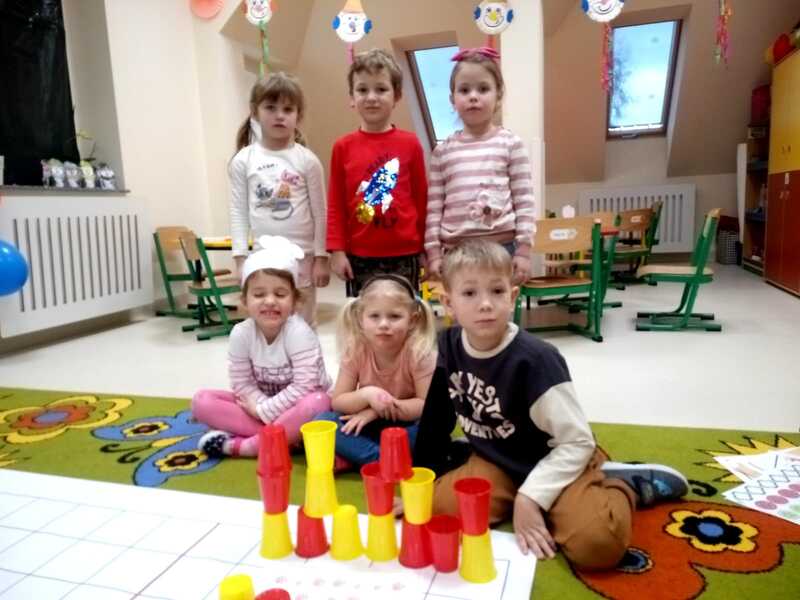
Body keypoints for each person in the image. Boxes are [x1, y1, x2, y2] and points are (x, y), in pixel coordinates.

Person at [413, 239, 690, 569]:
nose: (485, 304)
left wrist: (531, 497)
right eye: (470, 293)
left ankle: (622, 485)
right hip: (496, 458)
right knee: (439, 510)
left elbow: (576, 441)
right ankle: (524, 497)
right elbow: (437, 415)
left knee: (597, 544)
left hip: (556, 459)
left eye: (497, 291)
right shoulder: (448, 344)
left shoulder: (537, 360)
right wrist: (421, 484)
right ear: (448, 303)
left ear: (512, 297)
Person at [194, 235, 332, 458]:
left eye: (280, 294)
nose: (269, 301)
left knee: (319, 402)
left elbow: (306, 387)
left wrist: (263, 410)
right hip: (261, 409)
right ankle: (288, 438)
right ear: (245, 301)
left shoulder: (299, 333)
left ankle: (245, 446)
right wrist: (262, 408)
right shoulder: (241, 333)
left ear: (294, 301)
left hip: (297, 408)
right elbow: (241, 384)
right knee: (202, 402)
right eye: (259, 294)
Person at [424, 47, 536, 286]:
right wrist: (433, 253)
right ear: (452, 99)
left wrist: (524, 250)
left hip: (503, 248)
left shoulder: (511, 144)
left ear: (498, 95)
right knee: (462, 303)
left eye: (483, 89)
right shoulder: (442, 152)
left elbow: (524, 201)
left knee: (498, 304)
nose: (473, 96)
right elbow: (433, 208)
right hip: (456, 252)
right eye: (464, 90)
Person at [326, 48, 428, 297]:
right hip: (360, 254)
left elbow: (422, 198)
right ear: (352, 97)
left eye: (381, 89)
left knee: (403, 312)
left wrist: (427, 247)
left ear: (397, 96)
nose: (371, 97)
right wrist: (337, 250)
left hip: (406, 252)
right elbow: (336, 204)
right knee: (364, 316)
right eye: (362, 90)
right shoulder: (342, 147)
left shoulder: (411, 143)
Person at [230, 72, 329, 326]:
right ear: (255, 111)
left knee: (303, 326)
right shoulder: (244, 160)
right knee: (270, 323)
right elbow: (238, 212)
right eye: (270, 108)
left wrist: (321, 257)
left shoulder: (307, 160)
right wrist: (240, 259)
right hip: (263, 257)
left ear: (298, 115)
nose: (279, 115)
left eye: (288, 109)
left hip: (303, 258)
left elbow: (321, 213)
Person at [313, 274, 437, 468]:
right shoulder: (355, 349)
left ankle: (369, 458)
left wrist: (376, 411)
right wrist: (367, 394)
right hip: (369, 425)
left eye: (394, 316)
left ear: (412, 320)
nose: (383, 324)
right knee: (323, 421)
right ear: (360, 319)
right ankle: (386, 459)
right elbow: (338, 401)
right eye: (374, 316)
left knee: (433, 426)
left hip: (407, 424)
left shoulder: (420, 353)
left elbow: (426, 406)